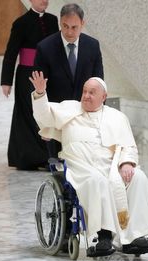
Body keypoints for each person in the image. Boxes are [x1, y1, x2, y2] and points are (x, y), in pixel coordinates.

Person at [30, 71, 148, 257]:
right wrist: (41, 93)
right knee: (98, 181)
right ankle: (103, 235)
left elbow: (128, 145)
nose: (86, 96)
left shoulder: (117, 117)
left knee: (137, 177)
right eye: (84, 92)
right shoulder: (69, 109)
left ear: (103, 97)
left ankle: (133, 237)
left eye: (92, 93)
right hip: (81, 167)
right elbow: (44, 116)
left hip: (112, 166)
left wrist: (127, 163)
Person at [34, 3, 104, 158]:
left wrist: (101, 118)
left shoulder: (93, 46)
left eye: (74, 27)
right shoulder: (45, 48)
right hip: (58, 120)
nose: (69, 32)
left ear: (82, 24)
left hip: (86, 118)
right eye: (65, 26)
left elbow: (99, 83)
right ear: (60, 22)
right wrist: (44, 124)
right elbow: (38, 89)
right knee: (60, 168)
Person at [0, 0, 58, 170]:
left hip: (48, 74)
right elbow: (11, 53)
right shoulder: (20, 23)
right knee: (29, 114)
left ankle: (49, 155)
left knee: (47, 111)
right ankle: (31, 158)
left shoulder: (53, 20)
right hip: (27, 75)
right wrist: (6, 81)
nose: (44, 0)